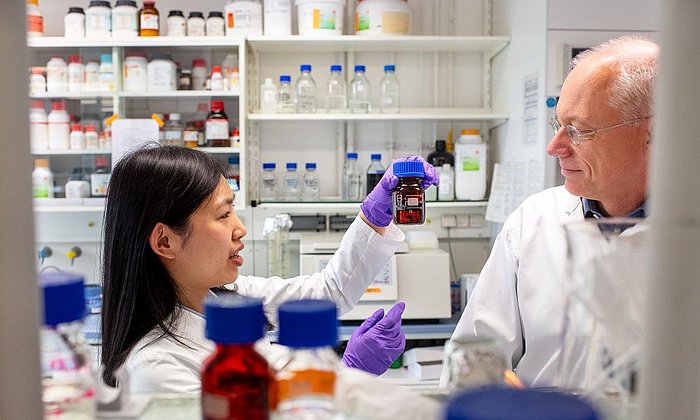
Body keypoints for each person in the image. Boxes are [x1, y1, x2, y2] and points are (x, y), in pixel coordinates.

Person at [100, 145, 438, 393]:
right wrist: (347, 376)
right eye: (223, 214)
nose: (240, 228)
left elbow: (329, 291)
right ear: (165, 242)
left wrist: (374, 215)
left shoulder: (230, 299)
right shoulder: (156, 369)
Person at [443, 35, 657, 387]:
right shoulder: (533, 221)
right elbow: (474, 365)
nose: (554, 147)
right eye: (558, 125)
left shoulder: (687, 235)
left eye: (579, 131)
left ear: (652, 135)